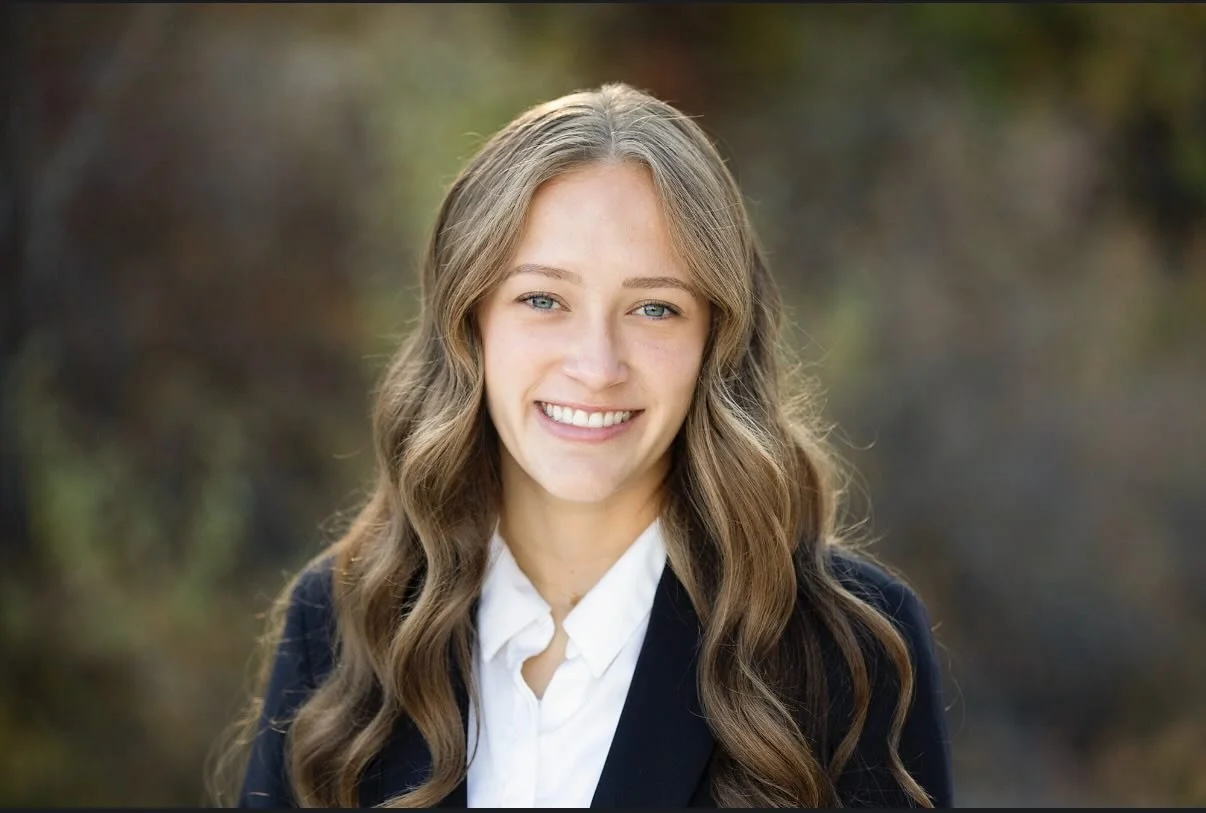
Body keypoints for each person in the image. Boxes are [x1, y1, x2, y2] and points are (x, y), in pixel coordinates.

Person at [212, 82, 953, 809]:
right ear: (470, 322)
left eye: (655, 308)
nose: (597, 366)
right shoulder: (345, 622)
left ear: (714, 341)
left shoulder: (846, 650)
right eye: (543, 299)